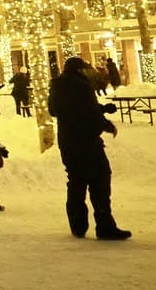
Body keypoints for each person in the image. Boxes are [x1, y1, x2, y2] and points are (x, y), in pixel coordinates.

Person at [48, 56, 131, 240]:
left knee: (76, 181)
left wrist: (101, 108)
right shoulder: (81, 86)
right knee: (100, 180)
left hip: (68, 143)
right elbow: (87, 112)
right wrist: (106, 124)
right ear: (80, 70)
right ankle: (104, 226)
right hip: (86, 142)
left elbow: (59, 110)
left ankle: (78, 226)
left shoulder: (57, 86)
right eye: (85, 68)